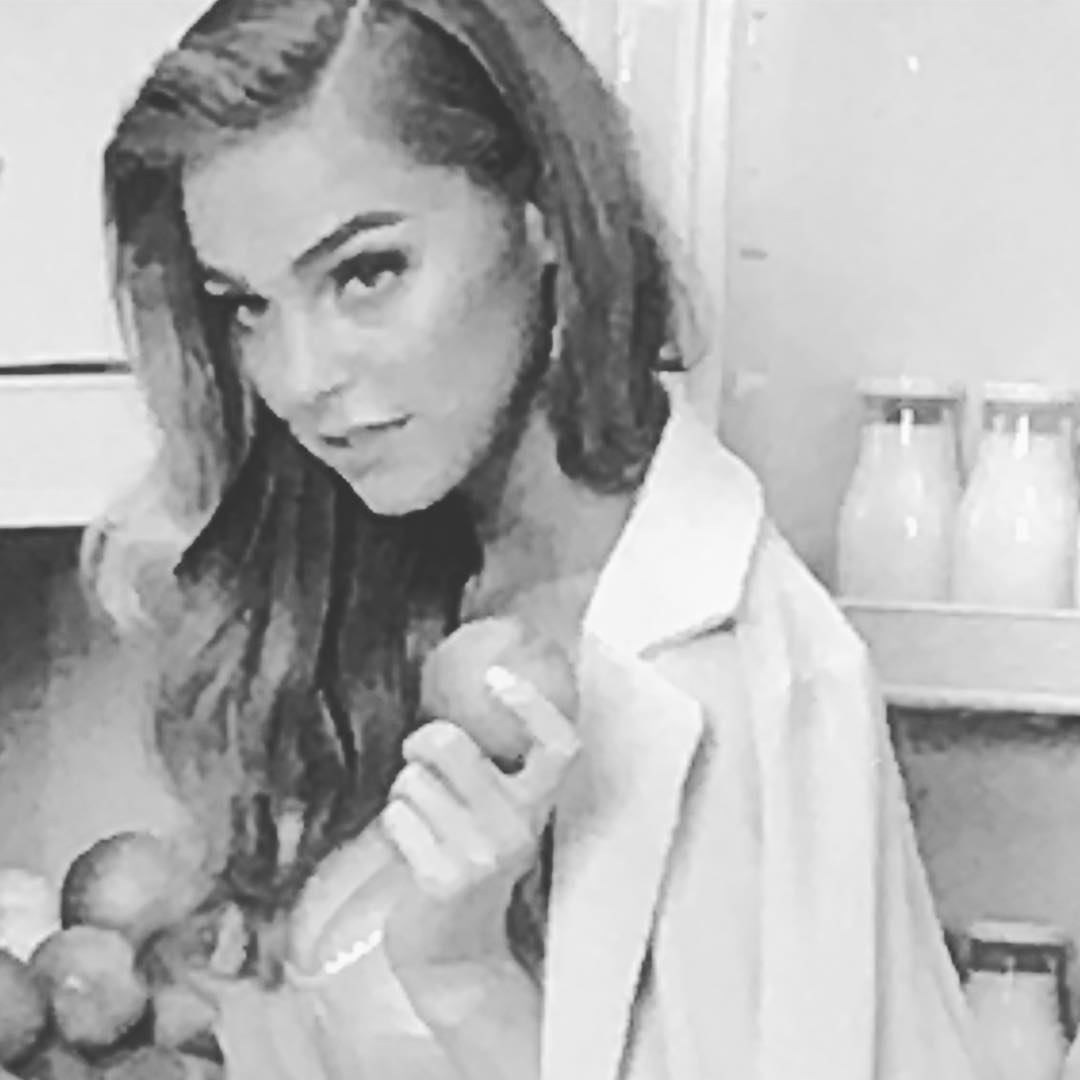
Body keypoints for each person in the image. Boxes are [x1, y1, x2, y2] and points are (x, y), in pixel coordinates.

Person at [85, 0, 988, 1077]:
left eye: (365, 273)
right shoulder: (379, 578)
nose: (298, 377)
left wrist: (467, 976)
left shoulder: (745, 691)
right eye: (245, 306)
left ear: (543, 214)